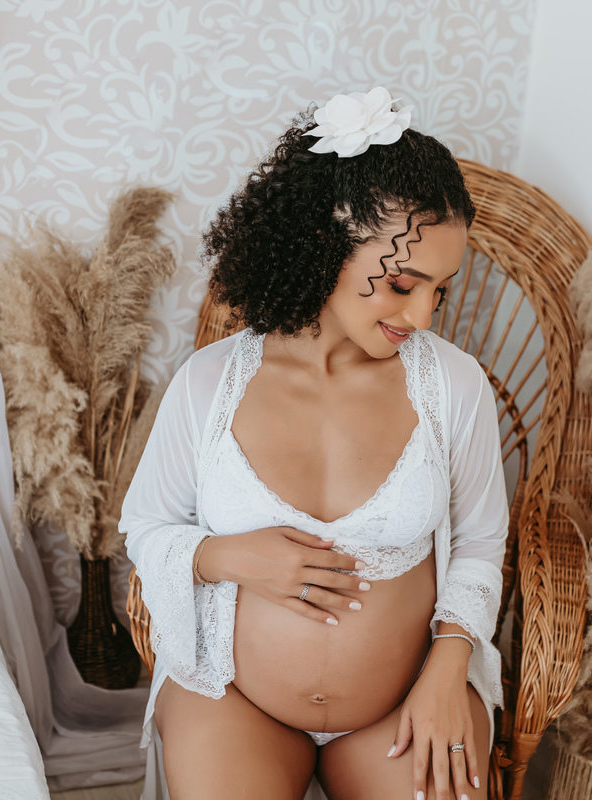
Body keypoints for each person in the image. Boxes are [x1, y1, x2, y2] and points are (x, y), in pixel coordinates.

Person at [122, 87, 508, 800]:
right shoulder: (210, 383)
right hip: (233, 698)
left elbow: (481, 541)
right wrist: (226, 557)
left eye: (441, 290)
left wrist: (450, 664)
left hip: (404, 705)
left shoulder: (454, 387)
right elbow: (145, 527)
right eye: (403, 283)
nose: (423, 315)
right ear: (325, 243)